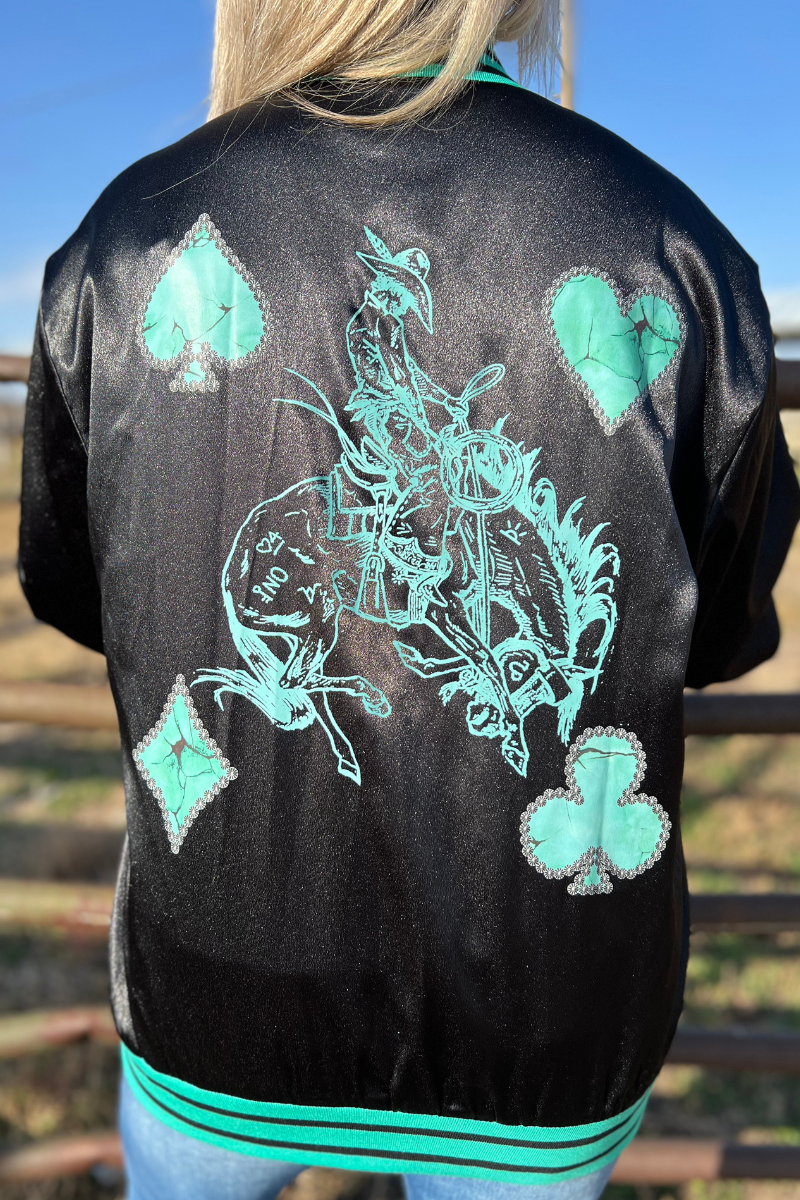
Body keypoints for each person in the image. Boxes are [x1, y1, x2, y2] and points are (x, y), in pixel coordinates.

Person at [18, 0, 800, 1196]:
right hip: (537, 1027)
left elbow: (86, 593)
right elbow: (715, 623)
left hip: (216, 984)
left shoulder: (123, 240)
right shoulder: (671, 246)